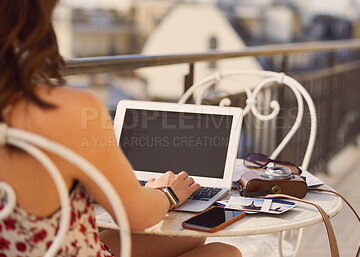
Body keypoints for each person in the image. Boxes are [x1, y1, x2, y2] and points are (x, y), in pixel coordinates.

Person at [0, 1, 242, 256]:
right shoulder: (67, 110)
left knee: (190, 237)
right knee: (225, 252)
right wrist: (167, 194)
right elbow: (137, 216)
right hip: (68, 251)